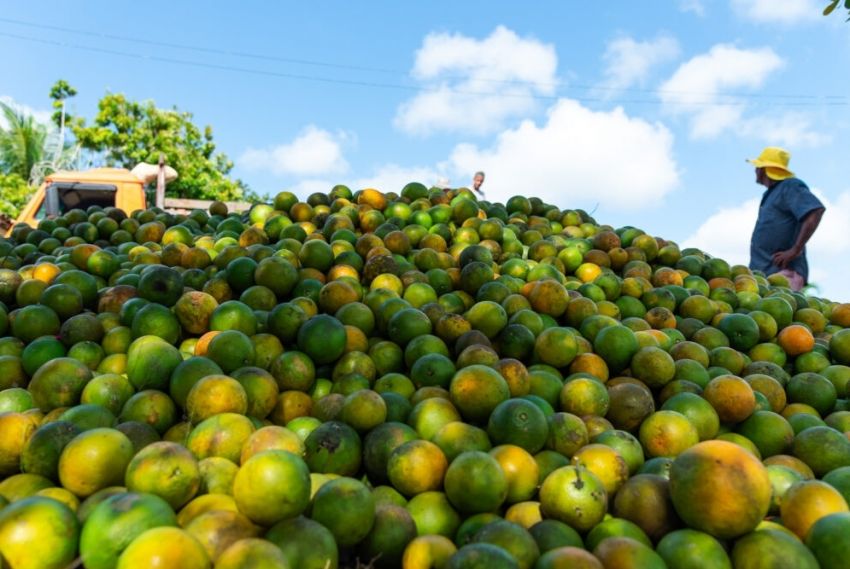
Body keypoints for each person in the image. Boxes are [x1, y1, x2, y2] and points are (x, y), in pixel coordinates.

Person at [747, 146, 825, 291]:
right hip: (764, 273)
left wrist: (795, 250)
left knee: (780, 310)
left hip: (783, 273)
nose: (755, 170)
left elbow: (815, 210)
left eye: (758, 167)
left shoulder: (789, 186)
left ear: (764, 169)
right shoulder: (770, 194)